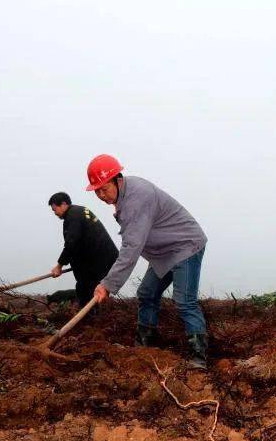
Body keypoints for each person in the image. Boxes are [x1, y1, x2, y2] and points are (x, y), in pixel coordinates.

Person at [85, 154, 210, 369]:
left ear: (117, 179)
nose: (101, 195)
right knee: (146, 293)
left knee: (184, 301)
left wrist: (107, 284)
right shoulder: (124, 196)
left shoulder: (136, 197)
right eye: (96, 191)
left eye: (104, 188)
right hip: (165, 253)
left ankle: (199, 356)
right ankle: (146, 343)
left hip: (185, 246)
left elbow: (131, 247)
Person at [48, 192, 118, 306]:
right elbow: (79, 243)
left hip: (98, 262)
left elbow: (71, 243)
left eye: (54, 209)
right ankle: (94, 317)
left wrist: (59, 265)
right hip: (102, 260)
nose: (55, 213)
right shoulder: (79, 211)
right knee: (88, 289)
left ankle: (90, 319)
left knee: (85, 290)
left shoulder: (72, 216)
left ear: (64, 204)